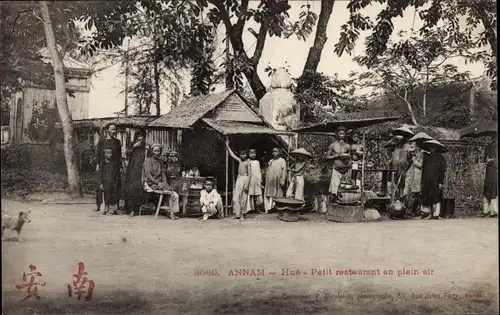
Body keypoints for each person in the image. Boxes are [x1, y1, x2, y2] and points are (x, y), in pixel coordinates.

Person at [142, 144, 180, 219]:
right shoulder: (147, 161)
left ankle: (172, 212)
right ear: (152, 151)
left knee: (174, 194)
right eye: (155, 151)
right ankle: (168, 212)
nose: (157, 152)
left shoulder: (160, 162)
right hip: (150, 183)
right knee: (164, 192)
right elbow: (148, 176)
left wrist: (165, 183)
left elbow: (163, 175)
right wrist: (158, 183)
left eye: (158, 151)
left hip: (159, 183)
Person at [95, 123, 122, 212]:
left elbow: (119, 155)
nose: (113, 131)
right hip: (104, 165)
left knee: (115, 185)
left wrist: (120, 166)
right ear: (107, 130)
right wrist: (98, 165)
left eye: (114, 129)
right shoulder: (102, 140)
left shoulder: (117, 141)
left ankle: (114, 206)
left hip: (114, 166)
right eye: (111, 129)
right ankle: (99, 205)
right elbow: (98, 153)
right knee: (101, 184)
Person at [420, 140, 447, 220]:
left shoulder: (440, 158)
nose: (432, 149)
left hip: (436, 180)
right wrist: (422, 181)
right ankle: (428, 214)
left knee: (436, 196)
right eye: (430, 148)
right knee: (427, 195)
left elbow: (442, 171)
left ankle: (436, 214)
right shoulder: (426, 157)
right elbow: (423, 169)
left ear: (436, 149)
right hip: (426, 179)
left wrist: (440, 182)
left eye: (434, 148)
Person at [123, 130, 147, 216]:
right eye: (138, 136)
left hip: (141, 170)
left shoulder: (146, 147)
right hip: (132, 170)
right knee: (130, 188)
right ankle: (130, 209)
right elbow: (127, 154)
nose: (140, 138)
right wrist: (133, 146)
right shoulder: (133, 145)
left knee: (139, 189)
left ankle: (137, 209)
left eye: (141, 136)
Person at [224, 141, 250, 220]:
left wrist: (246, 184)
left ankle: (243, 215)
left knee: (243, 198)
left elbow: (250, 174)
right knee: (236, 197)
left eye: (244, 154)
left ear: (247, 154)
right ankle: (237, 214)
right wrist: (227, 146)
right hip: (239, 179)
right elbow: (232, 155)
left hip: (245, 179)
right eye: (241, 154)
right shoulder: (239, 160)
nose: (243, 156)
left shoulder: (248, 162)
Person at [327, 126, 351, 201]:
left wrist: (346, 158)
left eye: (343, 134)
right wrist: (336, 156)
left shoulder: (347, 146)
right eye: (340, 133)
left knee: (344, 189)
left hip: (346, 170)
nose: (342, 135)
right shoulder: (333, 145)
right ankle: (333, 205)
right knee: (334, 190)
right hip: (336, 169)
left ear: (345, 135)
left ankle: (343, 203)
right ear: (337, 134)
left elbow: (350, 157)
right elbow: (327, 157)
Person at [97, 147, 120, 215]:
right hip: (106, 182)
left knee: (114, 196)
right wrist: (100, 183)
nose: (110, 155)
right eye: (108, 153)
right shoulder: (102, 163)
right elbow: (100, 173)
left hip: (113, 182)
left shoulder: (114, 163)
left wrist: (117, 182)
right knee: (107, 195)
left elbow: (117, 173)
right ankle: (106, 209)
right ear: (104, 154)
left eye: (111, 153)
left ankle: (114, 209)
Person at [263, 147, 287, 213]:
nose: (274, 153)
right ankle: (269, 208)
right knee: (270, 194)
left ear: (279, 152)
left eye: (276, 151)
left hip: (278, 180)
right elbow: (268, 170)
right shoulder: (271, 161)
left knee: (278, 193)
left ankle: (278, 208)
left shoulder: (282, 160)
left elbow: (284, 171)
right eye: (273, 152)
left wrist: (283, 180)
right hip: (270, 180)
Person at [482, 135, 498, 218]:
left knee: (494, 189)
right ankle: (487, 211)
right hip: (489, 170)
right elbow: (484, 159)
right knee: (488, 188)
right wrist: (486, 160)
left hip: (496, 170)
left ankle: (494, 211)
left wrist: (492, 160)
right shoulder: (488, 146)